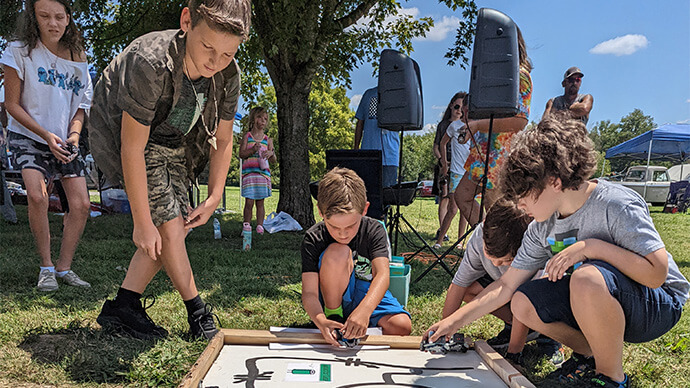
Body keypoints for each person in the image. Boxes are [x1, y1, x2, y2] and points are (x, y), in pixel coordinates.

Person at [426, 116, 689, 387]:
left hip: (657, 304)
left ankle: (611, 378)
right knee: (522, 302)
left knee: (585, 277)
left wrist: (591, 248)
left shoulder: (615, 204)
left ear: (553, 180)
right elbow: (506, 285)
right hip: (595, 297)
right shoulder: (543, 225)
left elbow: (657, 274)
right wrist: (453, 322)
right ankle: (589, 355)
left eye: (524, 194)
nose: (520, 204)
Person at [89, 0, 251, 340]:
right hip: (126, 133)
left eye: (227, 54)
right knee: (169, 225)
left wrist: (215, 195)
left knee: (178, 228)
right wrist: (141, 220)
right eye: (208, 48)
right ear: (187, 20)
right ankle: (198, 313)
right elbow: (132, 146)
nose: (215, 62)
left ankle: (123, 306)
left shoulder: (228, 74)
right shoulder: (150, 61)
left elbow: (223, 138)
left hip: (175, 142)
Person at [1, 0, 93, 290]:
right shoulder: (17, 51)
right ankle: (46, 267)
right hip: (29, 135)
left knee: (81, 205)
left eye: (58, 17)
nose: (52, 23)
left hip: (65, 139)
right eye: (44, 16)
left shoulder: (79, 56)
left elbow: (81, 106)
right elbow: (12, 105)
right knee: (38, 196)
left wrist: (74, 136)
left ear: (68, 19)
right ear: (34, 18)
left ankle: (64, 268)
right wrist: (45, 135)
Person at [301, 167, 411, 346]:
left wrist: (366, 310)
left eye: (351, 225)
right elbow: (309, 293)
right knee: (339, 251)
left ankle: (354, 324)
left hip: (364, 289)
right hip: (330, 290)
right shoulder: (313, 237)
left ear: (365, 209)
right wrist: (320, 319)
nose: (343, 234)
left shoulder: (374, 230)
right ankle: (334, 316)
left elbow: (382, 275)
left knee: (401, 326)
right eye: (334, 227)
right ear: (320, 212)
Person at [441, 200, 540, 365]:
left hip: (535, 299)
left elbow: (526, 300)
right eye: (489, 255)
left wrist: (513, 355)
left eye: (505, 261)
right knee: (469, 290)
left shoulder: (534, 245)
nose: (495, 264)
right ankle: (515, 327)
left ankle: (547, 339)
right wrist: (445, 327)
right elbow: (459, 284)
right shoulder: (479, 236)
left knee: (521, 302)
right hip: (507, 292)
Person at [454, 27, 532, 227]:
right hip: (483, 153)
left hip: (502, 156)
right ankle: (487, 245)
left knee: (497, 210)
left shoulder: (520, 75)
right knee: (462, 196)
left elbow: (520, 121)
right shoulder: (490, 76)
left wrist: (479, 125)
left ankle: (500, 253)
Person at [433, 92, 470, 250]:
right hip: (456, 171)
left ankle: (460, 241)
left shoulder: (475, 125)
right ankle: (440, 240)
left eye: (464, 107)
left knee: (466, 209)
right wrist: (444, 164)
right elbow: (441, 143)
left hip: (469, 172)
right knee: (453, 207)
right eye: (458, 107)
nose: (461, 110)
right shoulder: (453, 126)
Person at [239, 106, 276, 234]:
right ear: (253, 119)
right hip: (249, 174)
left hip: (262, 175)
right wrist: (252, 150)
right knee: (249, 202)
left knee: (260, 203)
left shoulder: (268, 140)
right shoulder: (247, 136)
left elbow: (273, 160)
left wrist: (271, 154)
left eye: (265, 119)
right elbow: (241, 154)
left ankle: (260, 227)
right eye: (260, 117)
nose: (263, 121)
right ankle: (246, 225)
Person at [354, 86, 400, 188]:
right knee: (368, 193)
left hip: (389, 156)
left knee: (387, 195)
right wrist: (356, 149)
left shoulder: (398, 95)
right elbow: (360, 123)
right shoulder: (369, 94)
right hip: (368, 154)